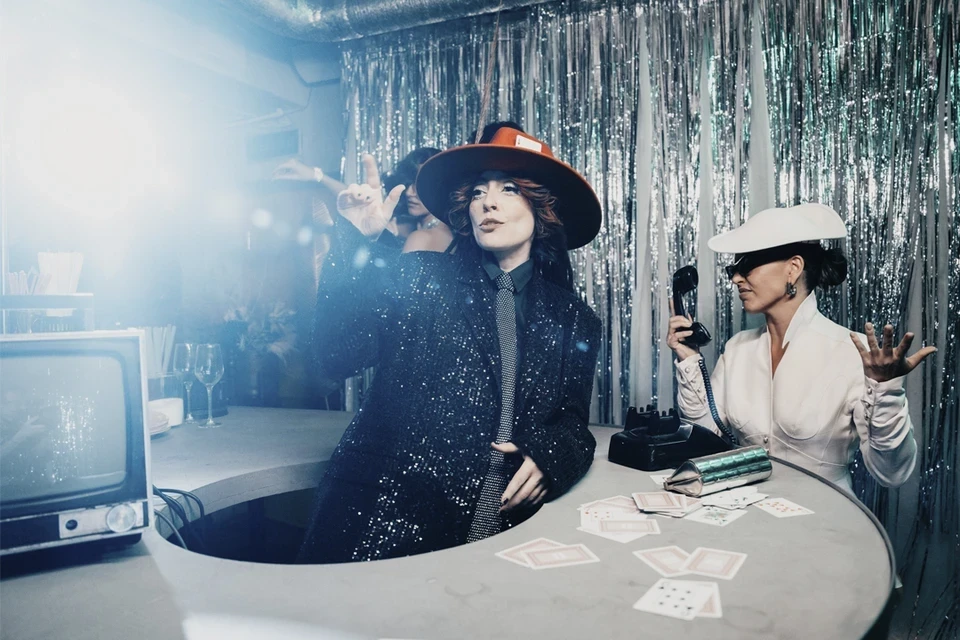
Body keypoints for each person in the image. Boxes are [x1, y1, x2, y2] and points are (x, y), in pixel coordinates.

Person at [298, 127, 603, 563]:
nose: (487, 202)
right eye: (478, 191)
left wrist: (550, 457)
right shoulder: (421, 276)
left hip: (500, 533)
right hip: (384, 527)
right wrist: (354, 242)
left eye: (509, 189)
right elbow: (336, 356)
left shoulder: (575, 319)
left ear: (543, 207)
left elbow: (572, 423)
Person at [666, 203, 934, 493]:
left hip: (824, 514)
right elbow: (703, 436)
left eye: (747, 265)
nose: (735, 278)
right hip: (747, 510)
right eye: (734, 268)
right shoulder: (737, 349)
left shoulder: (852, 352)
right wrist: (690, 360)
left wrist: (887, 391)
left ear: (793, 269)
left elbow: (892, 472)